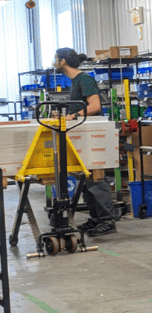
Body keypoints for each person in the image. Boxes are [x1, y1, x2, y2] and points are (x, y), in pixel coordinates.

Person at [52, 47, 119, 237]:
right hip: (85, 137)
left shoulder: (85, 79)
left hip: (94, 136)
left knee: (96, 179)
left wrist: (74, 115)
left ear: (62, 61)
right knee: (87, 179)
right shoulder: (75, 82)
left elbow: (95, 106)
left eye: (56, 59)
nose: (54, 62)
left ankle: (107, 220)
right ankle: (96, 219)